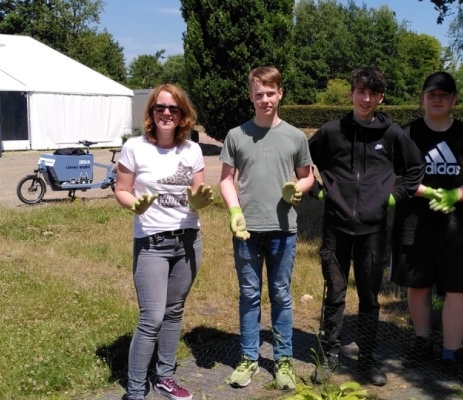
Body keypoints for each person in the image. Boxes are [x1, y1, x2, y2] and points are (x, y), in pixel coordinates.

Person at [308, 66, 425, 386]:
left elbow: (416, 167)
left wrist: (393, 197)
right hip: (336, 228)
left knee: (370, 297)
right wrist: (319, 192)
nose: (366, 98)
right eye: (361, 91)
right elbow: (301, 160)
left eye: (373, 93)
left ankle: (368, 358)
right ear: (351, 93)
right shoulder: (332, 131)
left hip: (373, 231)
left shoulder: (392, 134)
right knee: (334, 293)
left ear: (380, 97)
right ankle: (329, 355)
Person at [115, 83, 214, 400]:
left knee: (174, 312)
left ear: (183, 114)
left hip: (188, 241)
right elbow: (121, 188)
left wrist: (200, 203)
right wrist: (133, 204)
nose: (167, 113)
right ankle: (135, 389)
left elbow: (199, 194)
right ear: (151, 112)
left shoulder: (193, 150)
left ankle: (165, 377)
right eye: (161, 107)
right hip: (152, 243)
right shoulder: (135, 147)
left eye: (174, 108)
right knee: (152, 317)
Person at [390, 72, 463, 384]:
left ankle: (452, 354)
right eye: (432, 94)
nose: (437, 99)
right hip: (413, 224)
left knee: (459, 291)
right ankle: (422, 343)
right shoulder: (406, 134)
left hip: (457, 228)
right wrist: (427, 192)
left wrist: (454, 195)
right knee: (418, 286)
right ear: (422, 98)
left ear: (454, 99)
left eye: (444, 95)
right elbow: (395, 177)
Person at [219, 66, 314, 390]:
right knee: (249, 295)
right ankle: (249, 359)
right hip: (246, 231)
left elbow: (307, 174)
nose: (265, 99)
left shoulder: (295, 136)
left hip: (283, 230)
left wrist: (300, 187)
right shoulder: (236, 135)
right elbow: (226, 180)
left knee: (282, 295)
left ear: (280, 93)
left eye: (270, 93)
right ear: (251, 96)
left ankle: (284, 360)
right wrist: (233, 211)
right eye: (258, 94)